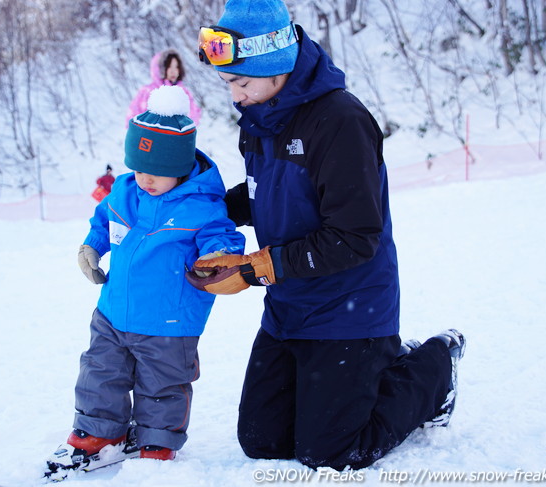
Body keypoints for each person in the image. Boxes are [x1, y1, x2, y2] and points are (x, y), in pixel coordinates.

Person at [187, 0, 466, 471]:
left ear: (274, 64)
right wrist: (200, 212)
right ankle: (368, 374)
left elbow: (356, 236)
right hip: (290, 308)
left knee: (331, 453)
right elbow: (268, 194)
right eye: (227, 84)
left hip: (350, 309)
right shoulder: (260, 117)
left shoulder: (340, 121)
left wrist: (258, 268)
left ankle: (433, 367)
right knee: (262, 440)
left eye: (241, 82)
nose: (234, 95)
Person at [46, 85, 245, 480]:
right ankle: (98, 434)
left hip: (169, 323)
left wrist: (217, 258)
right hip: (113, 310)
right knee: (99, 374)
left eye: (157, 173)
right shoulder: (125, 190)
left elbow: (221, 237)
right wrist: (91, 246)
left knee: (162, 386)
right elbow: (104, 218)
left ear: (181, 167)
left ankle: (157, 444)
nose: (145, 180)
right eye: (139, 169)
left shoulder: (201, 207)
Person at [125, 49, 201, 126]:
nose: (173, 71)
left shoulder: (183, 92)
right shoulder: (147, 91)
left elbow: (193, 118)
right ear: (160, 69)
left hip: (178, 137)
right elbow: (132, 118)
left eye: (176, 67)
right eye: (169, 67)